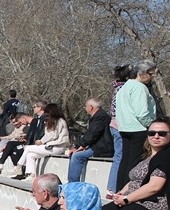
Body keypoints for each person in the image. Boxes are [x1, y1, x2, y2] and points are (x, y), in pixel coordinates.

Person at [99, 116, 170, 210]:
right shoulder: (148, 157)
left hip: (152, 206)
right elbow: (135, 180)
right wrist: (121, 193)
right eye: (152, 133)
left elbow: (154, 187)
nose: (156, 136)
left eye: (162, 133)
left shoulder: (168, 157)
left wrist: (126, 199)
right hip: (134, 200)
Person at [115, 60, 158, 190]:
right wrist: (152, 126)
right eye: (151, 73)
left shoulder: (123, 88)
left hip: (124, 128)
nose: (152, 77)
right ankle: (129, 190)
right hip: (138, 128)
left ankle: (120, 189)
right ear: (142, 73)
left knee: (125, 160)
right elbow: (141, 113)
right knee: (135, 162)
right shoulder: (140, 88)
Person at [14, 102, 69, 180]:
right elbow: (49, 134)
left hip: (57, 147)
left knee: (28, 148)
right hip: (50, 146)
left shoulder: (59, 121)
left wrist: (41, 141)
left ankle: (19, 165)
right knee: (30, 155)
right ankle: (32, 175)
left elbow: (53, 135)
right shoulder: (51, 121)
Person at [67, 98, 113, 182]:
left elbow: (93, 133)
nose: (85, 109)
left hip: (102, 147)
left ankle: (72, 183)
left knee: (76, 156)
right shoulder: (99, 116)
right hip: (96, 145)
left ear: (91, 107)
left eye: (86, 106)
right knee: (76, 154)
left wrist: (80, 146)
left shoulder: (100, 117)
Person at [107, 64, 134, 192]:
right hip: (119, 126)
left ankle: (113, 188)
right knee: (120, 157)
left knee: (119, 157)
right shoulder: (124, 89)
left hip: (115, 125)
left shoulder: (117, 88)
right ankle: (113, 188)